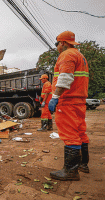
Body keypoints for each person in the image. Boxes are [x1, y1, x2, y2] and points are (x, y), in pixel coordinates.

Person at [48, 31, 89, 181]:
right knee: (80, 132)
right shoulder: (80, 56)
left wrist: (55, 97)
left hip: (68, 101)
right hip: (79, 101)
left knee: (70, 135)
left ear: (63, 43)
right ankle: (83, 164)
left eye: (57, 44)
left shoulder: (67, 55)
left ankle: (71, 171)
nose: (57, 47)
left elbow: (65, 78)